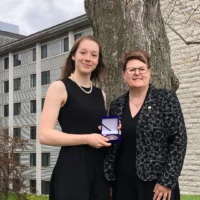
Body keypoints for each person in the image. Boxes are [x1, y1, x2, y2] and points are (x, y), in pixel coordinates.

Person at [104, 50, 187, 200]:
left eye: (142, 69)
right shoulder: (116, 105)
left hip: (156, 185)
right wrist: (109, 181)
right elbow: (110, 145)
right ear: (124, 74)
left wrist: (167, 181)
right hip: (122, 184)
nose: (137, 73)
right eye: (131, 70)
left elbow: (179, 141)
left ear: (149, 72)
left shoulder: (166, 99)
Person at [39, 35, 112, 200]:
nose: (88, 58)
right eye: (83, 53)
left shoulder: (101, 95)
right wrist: (87, 139)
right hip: (72, 169)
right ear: (73, 56)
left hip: (99, 171)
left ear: (98, 60)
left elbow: (97, 131)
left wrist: (112, 131)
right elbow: (44, 135)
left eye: (94, 55)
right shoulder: (59, 87)